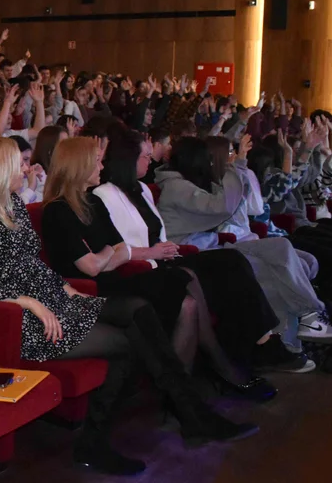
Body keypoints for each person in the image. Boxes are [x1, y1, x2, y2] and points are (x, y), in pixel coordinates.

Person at [0, 137, 257, 476]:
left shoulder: (12, 203)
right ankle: (112, 438)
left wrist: (67, 290)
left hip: (51, 301)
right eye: (19, 164)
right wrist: (32, 304)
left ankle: (188, 413)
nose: (27, 168)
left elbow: (32, 266)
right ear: (0, 169)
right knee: (127, 342)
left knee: (138, 309)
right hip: (22, 319)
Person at [42, 136, 275, 399]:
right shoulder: (58, 210)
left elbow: (120, 249)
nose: (101, 167)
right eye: (96, 161)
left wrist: (110, 253)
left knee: (215, 271)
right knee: (184, 283)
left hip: (121, 273)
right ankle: (209, 375)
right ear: (78, 166)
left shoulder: (91, 202)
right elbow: (94, 266)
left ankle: (211, 374)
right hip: (97, 288)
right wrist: (111, 252)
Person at [156, 136, 332, 355]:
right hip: (196, 252)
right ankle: (289, 343)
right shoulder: (176, 186)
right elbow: (222, 207)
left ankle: (310, 318)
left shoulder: (188, 183)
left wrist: (235, 168)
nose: (212, 163)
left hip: (215, 245)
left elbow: (234, 207)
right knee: (266, 270)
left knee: (281, 247)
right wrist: (235, 166)